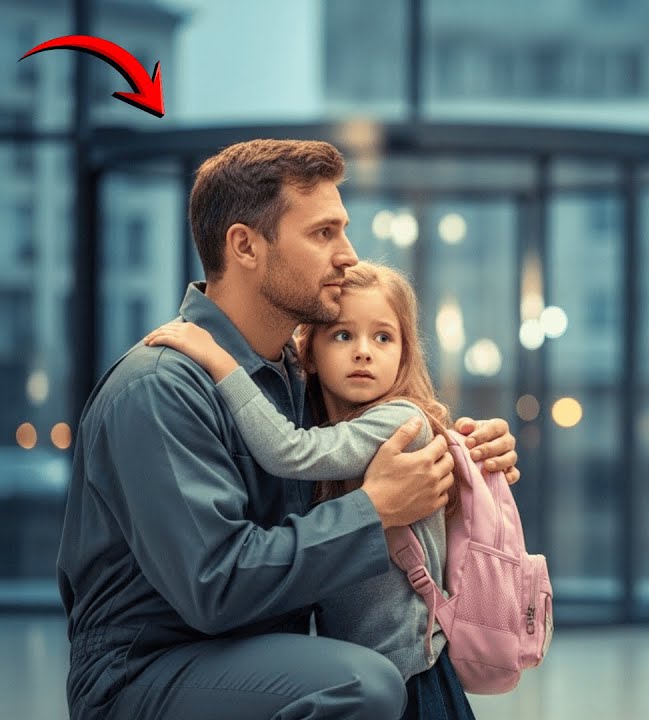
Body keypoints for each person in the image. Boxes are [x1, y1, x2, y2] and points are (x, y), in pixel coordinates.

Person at [57, 139, 520, 720]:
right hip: (147, 673)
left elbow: (378, 448)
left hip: (263, 654)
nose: (349, 254)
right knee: (361, 685)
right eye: (324, 233)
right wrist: (375, 510)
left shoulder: (298, 379)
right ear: (246, 246)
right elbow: (215, 586)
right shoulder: (159, 388)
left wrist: (462, 464)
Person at [143, 260, 478, 720]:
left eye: (383, 337)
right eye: (343, 335)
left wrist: (219, 361)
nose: (364, 351)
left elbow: (290, 452)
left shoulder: (398, 421)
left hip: (412, 672)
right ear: (311, 354)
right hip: (369, 667)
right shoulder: (335, 429)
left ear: (404, 354)